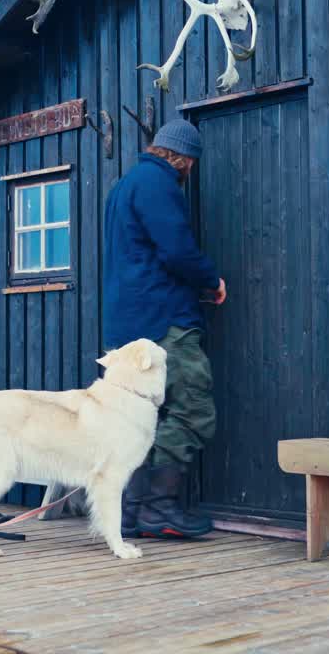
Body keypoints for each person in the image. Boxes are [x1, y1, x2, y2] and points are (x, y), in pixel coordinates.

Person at [102, 118, 226, 539]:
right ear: (185, 158)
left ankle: (133, 511)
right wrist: (212, 280)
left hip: (128, 324)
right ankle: (160, 508)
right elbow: (176, 250)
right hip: (163, 320)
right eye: (191, 162)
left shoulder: (125, 186)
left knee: (137, 417)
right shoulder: (159, 185)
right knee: (191, 407)